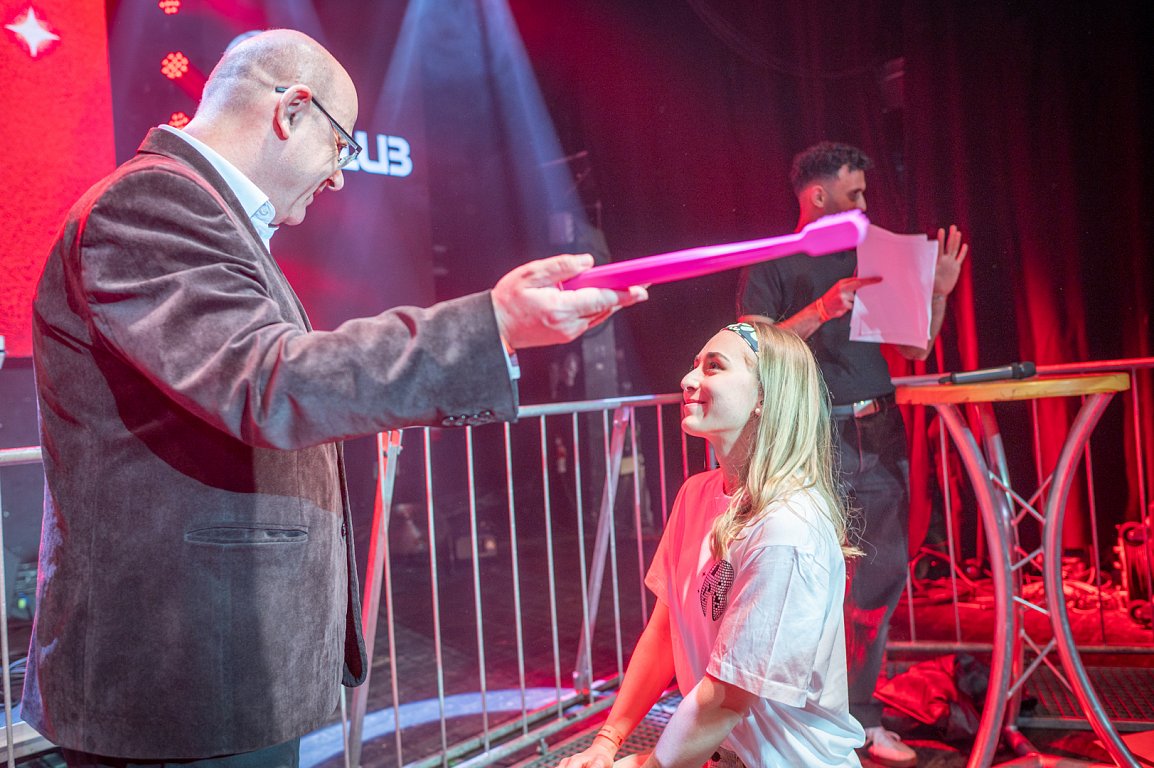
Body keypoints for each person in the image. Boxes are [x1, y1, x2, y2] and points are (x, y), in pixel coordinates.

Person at [22, 29, 646, 767]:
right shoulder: (152, 201)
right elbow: (269, 380)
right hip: (178, 678)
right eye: (342, 146)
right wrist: (491, 328)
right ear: (292, 110)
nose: (342, 178)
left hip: (211, 670)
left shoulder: (195, 212)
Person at [737, 141, 967, 768]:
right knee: (804, 582)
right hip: (812, 439)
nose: (865, 203)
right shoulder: (774, 259)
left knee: (878, 581)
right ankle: (795, 722)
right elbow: (751, 348)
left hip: (878, 432)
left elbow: (915, 349)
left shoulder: (875, 255)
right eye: (854, 193)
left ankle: (862, 720)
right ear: (818, 196)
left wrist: (938, 293)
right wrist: (820, 309)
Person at [559, 321, 864, 768]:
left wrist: (650, 766)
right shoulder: (695, 495)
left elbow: (727, 699)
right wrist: (607, 742)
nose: (688, 379)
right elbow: (664, 633)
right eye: (694, 365)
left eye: (714, 366)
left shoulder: (787, 527)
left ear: (764, 396)